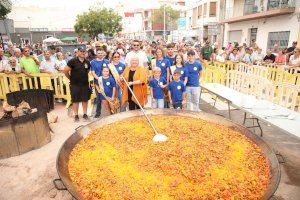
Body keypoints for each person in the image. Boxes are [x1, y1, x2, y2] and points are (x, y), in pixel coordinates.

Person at [64, 46, 91, 122]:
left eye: (84, 51)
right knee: (75, 100)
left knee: (85, 100)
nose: (82, 53)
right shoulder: (72, 61)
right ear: (78, 52)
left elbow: (87, 71)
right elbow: (65, 71)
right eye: (81, 51)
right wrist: (70, 78)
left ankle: (85, 114)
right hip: (75, 84)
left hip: (85, 84)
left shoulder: (87, 62)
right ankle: (76, 115)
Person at [91, 48, 110, 118]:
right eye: (99, 53)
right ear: (96, 53)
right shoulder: (93, 62)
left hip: (107, 81)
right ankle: (98, 113)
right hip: (98, 82)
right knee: (99, 98)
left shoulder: (107, 61)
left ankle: (110, 111)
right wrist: (99, 79)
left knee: (108, 96)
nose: (100, 54)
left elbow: (110, 71)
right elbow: (93, 72)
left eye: (101, 53)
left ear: (103, 53)